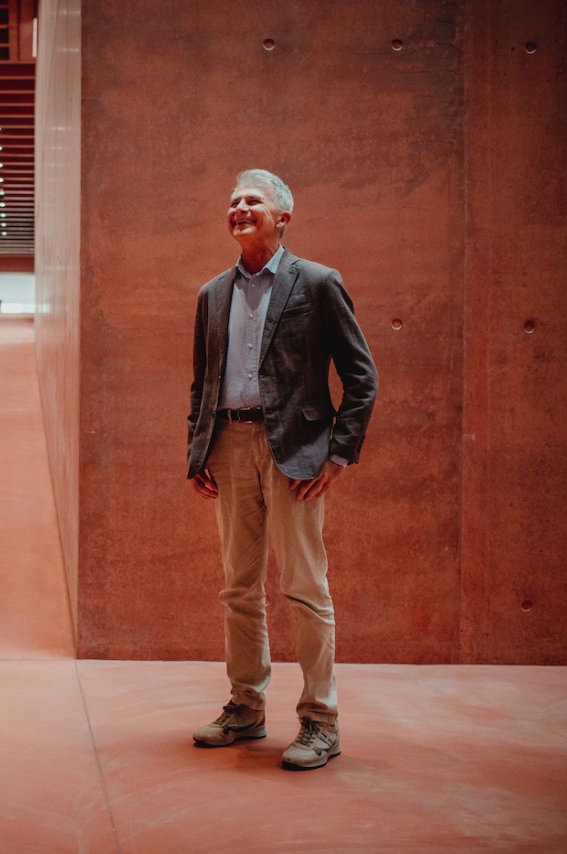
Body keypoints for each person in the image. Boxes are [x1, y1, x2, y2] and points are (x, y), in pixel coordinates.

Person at [187, 169, 377, 770]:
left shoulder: (317, 283)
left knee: (305, 588)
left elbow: (362, 377)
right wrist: (199, 450)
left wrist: (339, 454)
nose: (240, 208)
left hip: (293, 452)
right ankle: (245, 707)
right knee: (238, 588)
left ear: (282, 216)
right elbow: (203, 381)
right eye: (234, 201)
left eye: (254, 201)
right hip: (229, 448)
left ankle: (321, 721)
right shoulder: (211, 293)